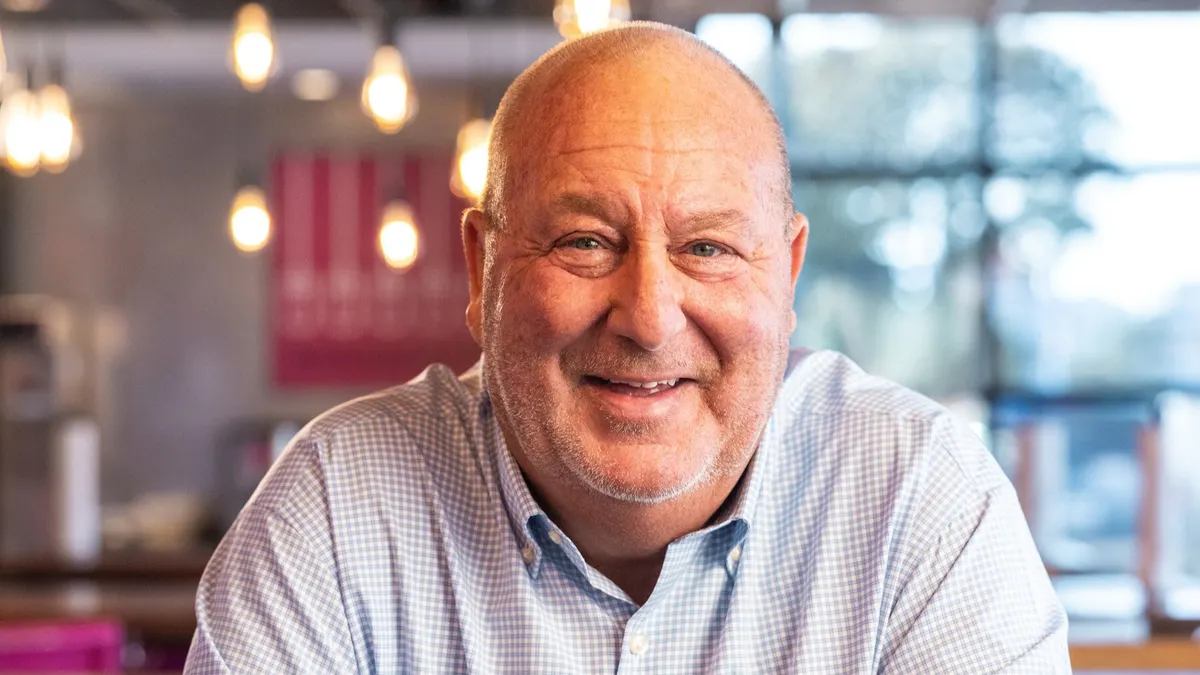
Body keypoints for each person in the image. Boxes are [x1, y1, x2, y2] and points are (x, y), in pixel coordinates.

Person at [184, 22, 1070, 674]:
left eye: (709, 248)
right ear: (482, 266)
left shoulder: (916, 498)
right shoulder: (338, 507)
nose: (648, 317)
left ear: (788, 275)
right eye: (584, 241)